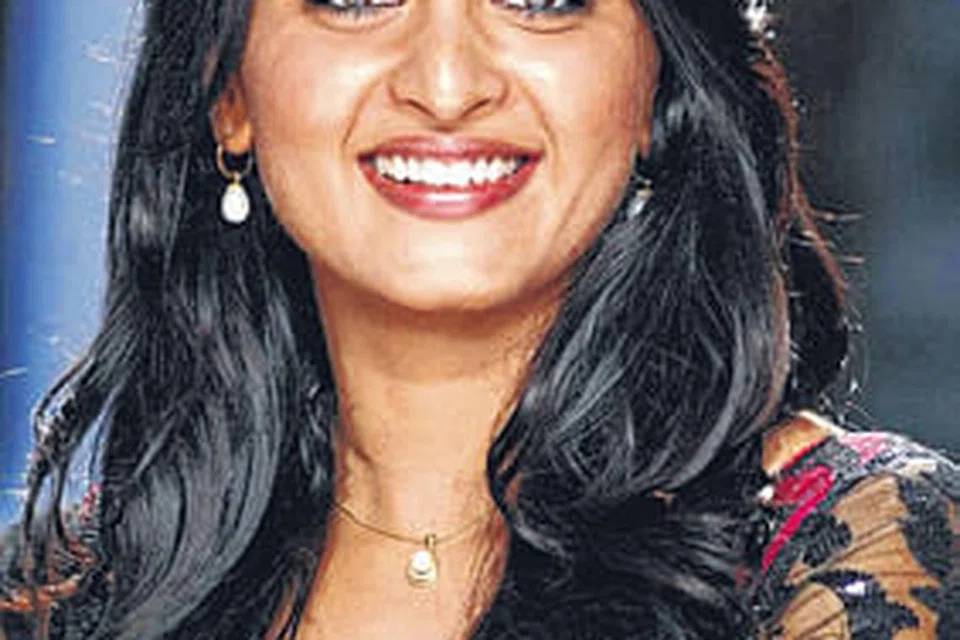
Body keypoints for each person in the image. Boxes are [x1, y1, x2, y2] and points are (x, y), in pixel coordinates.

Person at [1, 0, 956, 637]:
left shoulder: (851, 546)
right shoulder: (64, 597)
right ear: (228, 91)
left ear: (658, 85)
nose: (447, 85)